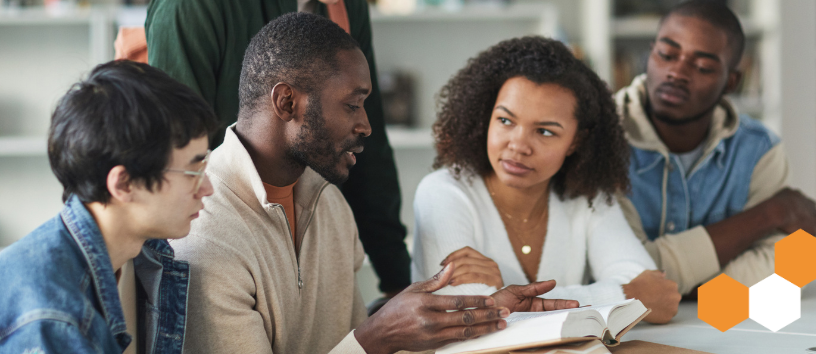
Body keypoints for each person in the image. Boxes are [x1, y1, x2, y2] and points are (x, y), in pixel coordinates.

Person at [172, 13, 578, 354]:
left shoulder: (327, 200)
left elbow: (343, 343)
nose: (365, 125)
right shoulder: (204, 235)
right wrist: (376, 336)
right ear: (286, 102)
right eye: (352, 105)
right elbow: (360, 345)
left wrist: (481, 312)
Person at [145, 0, 411, 300]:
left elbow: (367, 143)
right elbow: (177, 155)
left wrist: (398, 281)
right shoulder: (190, 8)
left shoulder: (347, 6)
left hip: (304, 225)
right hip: (220, 231)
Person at [411, 36, 681, 324]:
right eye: (505, 120)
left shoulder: (586, 197)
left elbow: (657, 298)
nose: (518, 145)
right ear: (485, 115)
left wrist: (507, 293)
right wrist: (621, 294)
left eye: (545, 132)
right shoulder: (443, 192)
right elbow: (472, 317)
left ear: (576, 141)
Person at [0, 60, 218, 353]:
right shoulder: (53, 318)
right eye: (193, 173)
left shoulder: (146, 255)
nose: (208, 188)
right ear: (124, 184)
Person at [615, 1, 816, 296]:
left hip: (718, 321)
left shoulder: (758, 148)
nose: (677, 72)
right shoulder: (601, 137)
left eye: (702, 67)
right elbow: (632, 275)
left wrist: (688, 291)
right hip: (627, 331)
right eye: (666, 54)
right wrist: (769, 214)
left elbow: (793, 256)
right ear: (650, 54)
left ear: (731, 81)